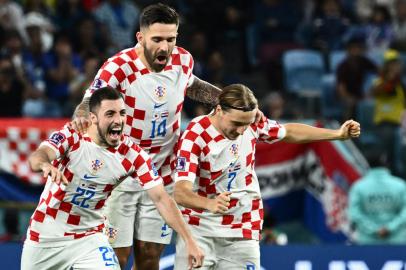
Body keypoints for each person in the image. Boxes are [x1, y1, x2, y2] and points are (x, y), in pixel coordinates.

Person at [71, 4, 232, 269]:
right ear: (141, 37)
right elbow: (90, 101)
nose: (165, 47)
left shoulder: (183, 60)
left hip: (162, 175)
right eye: (157, 39)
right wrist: (80, 115)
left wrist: (229, 102)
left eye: (171, 39)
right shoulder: (119, 67)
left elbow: (193, 86)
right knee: (116, 259)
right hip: (121, 176)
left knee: (148, 259)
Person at [173, 83, 361, 269]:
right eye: (237, 123)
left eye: (246, 124)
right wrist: (209, 203)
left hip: (242, 227)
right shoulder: (195, 135)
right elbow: (181, 192)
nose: (241, 131)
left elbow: (290, 132)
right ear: (219, 110)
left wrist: (337, 134)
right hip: (200, 230)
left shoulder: (252, 124)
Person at [21, 87, 204, 270]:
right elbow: (38, 156)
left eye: (122, 113)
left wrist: (190, 241)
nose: (118, 120)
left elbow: (161, 198)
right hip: (45, 235)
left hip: (88, 238)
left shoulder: (132, 154)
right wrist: (45, 165)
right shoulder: (73, 135)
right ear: (93, 118)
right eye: (110, 114)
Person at [347, 153, 406, 244]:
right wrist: (390, 228)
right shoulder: (400, 185)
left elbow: (354, 213)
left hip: (368, 244)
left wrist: (374, 229)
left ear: (368, 165)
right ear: (387, 165)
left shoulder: (358, 187)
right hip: (397, 243)